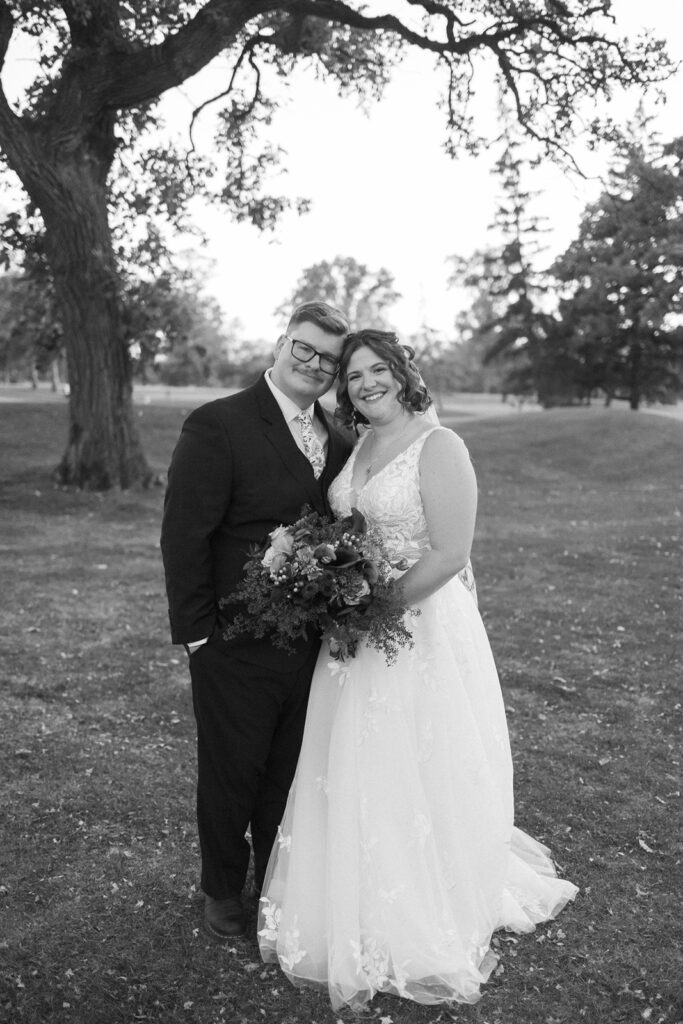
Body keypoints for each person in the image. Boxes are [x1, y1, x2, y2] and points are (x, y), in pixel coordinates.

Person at [258, 329, 578, 1011]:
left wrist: (370, 610)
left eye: (377, 369)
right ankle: (353, 888)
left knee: (416, 756)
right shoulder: (358, 447)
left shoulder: (441, 446)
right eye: (352, 375)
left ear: (403, 373)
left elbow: (450, 553)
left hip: (418, 625)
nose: (365, 382)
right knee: (352, 760)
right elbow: (346, 532)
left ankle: (424, 898)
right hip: (356, 627)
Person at [160, 302, 352, 942]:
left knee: (290, 772)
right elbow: (185, 534)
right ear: (281, 342)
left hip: (313, 645)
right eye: (305, 349)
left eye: (328, 359)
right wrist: (197, 634)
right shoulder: (219, 424)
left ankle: (276, 881)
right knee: (230, 771)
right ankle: (221, 889)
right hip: (233, 642)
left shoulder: (340, 439)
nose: (314, 365)